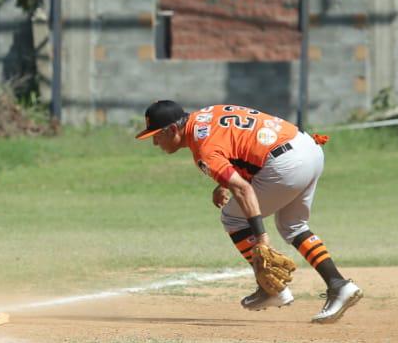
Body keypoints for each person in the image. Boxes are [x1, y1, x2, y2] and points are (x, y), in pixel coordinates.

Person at [135, 99, 362, 324]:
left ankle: (271, 289)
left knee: (233, 218)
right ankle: (339, 286)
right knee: (293, 226)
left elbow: (242, 189)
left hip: (284, 166)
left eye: (156, 135)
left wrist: (261, 237)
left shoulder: (203, 149)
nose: (155, 142)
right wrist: (223, 183)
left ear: (174, 129)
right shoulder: (208, 113)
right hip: (307, 148)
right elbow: (240, 143)